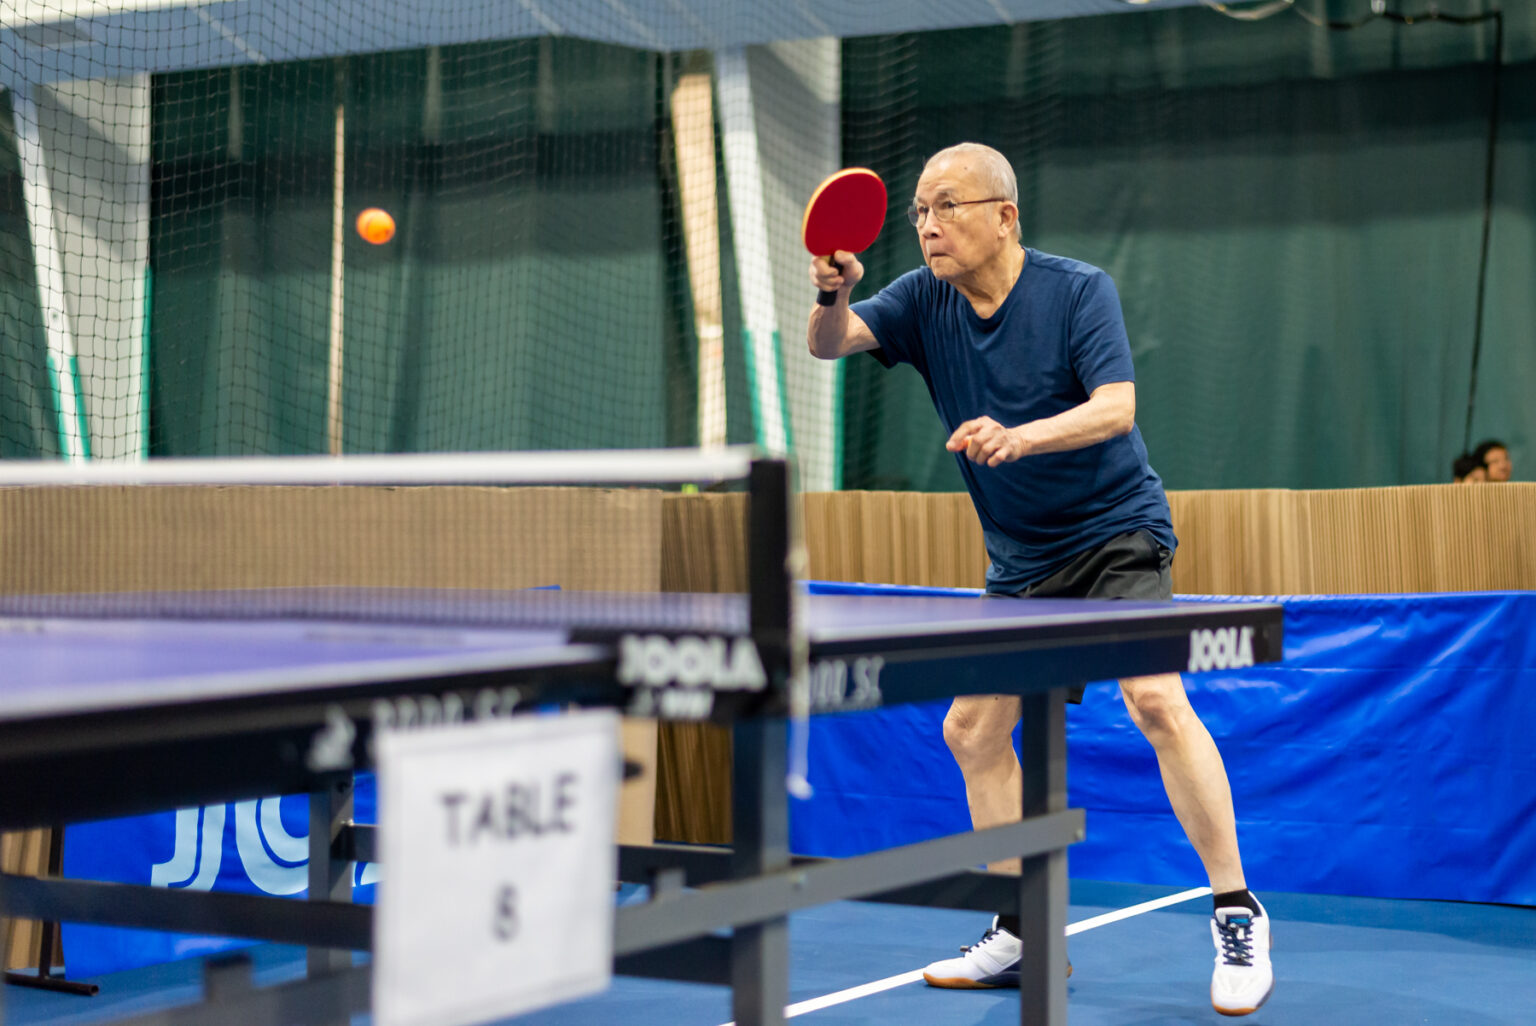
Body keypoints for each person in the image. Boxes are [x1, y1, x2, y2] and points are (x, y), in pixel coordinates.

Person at [806, 142, 1272, 1017]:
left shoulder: (1076, 288)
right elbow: (831, 345)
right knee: (973, 730)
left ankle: (1236, 910)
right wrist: (830, 291)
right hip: (1022, 561)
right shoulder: (919, 299)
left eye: (946, 206)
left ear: (1004, 215)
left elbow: (1117, 407)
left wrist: (1022, 437)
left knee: (1156, 700)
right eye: (917, 212)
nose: (929, 226)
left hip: (1114, 531)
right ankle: (1025, 928)